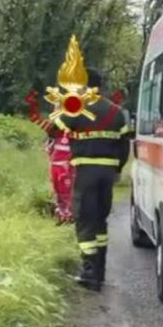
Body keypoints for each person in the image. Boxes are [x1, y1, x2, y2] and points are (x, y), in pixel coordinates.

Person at [48, 36, 133, 291]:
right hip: (108, 174)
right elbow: (125, 143)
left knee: (84, 220)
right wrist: (118, 168)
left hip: (85, 172)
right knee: (100, 221)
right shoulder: (116, 111)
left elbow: (54, 128)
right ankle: (101, 271)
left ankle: (88, 274)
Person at [31, 104, 75, 225]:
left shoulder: (71, 129)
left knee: (66, 191)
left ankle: (68, 215)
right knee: (57, 191)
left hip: (66, 165)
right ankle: (60, 214)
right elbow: (49, 146)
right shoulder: (54, 132)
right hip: (55, 165)